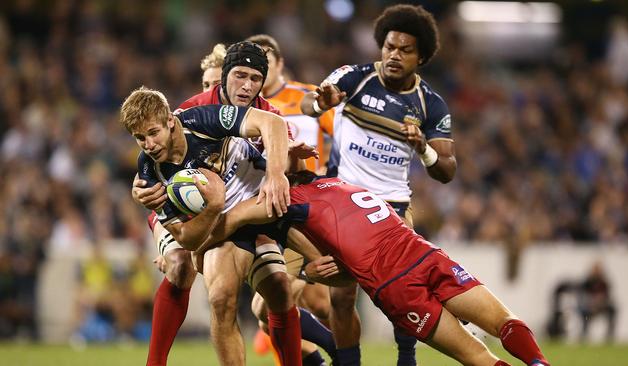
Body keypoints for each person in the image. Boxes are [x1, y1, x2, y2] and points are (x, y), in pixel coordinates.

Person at [194, 171, 551, 366]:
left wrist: (192, 236)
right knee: (504, 322)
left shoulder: (294, 199)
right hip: (425, 254)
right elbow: (356, 249)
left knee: (476, 356)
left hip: (397, 286)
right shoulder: (344, 182)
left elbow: (235, 218)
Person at [300, 4, 456, 364]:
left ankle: (406, 357)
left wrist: (424, 149)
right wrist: (318, 104)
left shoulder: (430, 105)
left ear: (421, 56)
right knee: (340, 298)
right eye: (389, 47)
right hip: (341, 202)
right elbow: (312, 101)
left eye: (405, 50)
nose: (394, 55)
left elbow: (447, 169)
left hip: (393, 207)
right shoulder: (355, 78)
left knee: (403, 295)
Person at [121, 79, 303, 366]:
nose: (149, 144)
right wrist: (213, 207)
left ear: (169, 122)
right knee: (215, 294)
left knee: (281, 288)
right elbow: (188, 239)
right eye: (140, 138)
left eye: (152, 134)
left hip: (255, 203)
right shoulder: (149, 173)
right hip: (213, 221)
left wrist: (278, 172)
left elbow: (274, 126)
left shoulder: (208, 116)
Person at [247, 33, 338, 365]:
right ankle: (340, 355)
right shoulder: (247, 110)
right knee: (315, 304)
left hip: (313, 206)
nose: (257, 72)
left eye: (265, 64)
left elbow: (341, 138)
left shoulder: (306, 98)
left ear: (280, 63)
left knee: (283, 303)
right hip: (275, 211)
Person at [578, 261, 617, 342]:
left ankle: (609, 337)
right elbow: (582, 296)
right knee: (584, 312)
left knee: (612, 309)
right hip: (588, 306)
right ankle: (584, 336)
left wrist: (601, 301)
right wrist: (591, 302)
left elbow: (607, 296)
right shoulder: (586, 282)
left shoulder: (604, 282)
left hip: (601, 305)